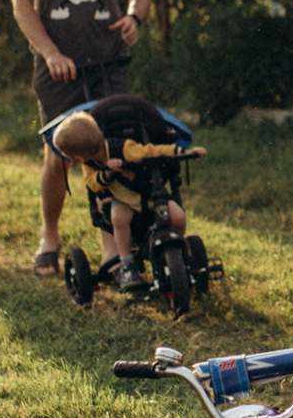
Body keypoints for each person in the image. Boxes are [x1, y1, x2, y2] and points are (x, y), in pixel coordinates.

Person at [12, 0, 155, 275]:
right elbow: (21, 3)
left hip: (109, 61)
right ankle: (49, 237)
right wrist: (50, 53)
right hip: (58, 68)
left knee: (111, 153)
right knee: (59, 155)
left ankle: (113, 250)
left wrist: (134, 18)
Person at [42, 95, 206, 292]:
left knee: (178, 216)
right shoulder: (90, 166)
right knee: (118, 217)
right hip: (123, 200)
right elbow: (93, 184)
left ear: (77, 157)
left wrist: (181, 152)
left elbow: (151, 151)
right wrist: (107, 173)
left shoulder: (124, 148)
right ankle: (127, 262)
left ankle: (179, 251)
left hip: (149, 195)